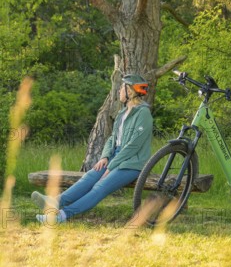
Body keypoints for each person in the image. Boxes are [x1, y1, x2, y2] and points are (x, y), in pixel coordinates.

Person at [32, 74, 153, 225]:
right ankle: (54, 203)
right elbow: (112, 138)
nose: (119, 91)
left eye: (122, 88)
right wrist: (105, 157)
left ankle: (61, 216)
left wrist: (112, 165)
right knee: (89, 177)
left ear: (131, 91)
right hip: (115, 157)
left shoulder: (143, 113)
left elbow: (134, 145)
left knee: (100, 187)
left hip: (132, 163)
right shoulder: (122, 113)